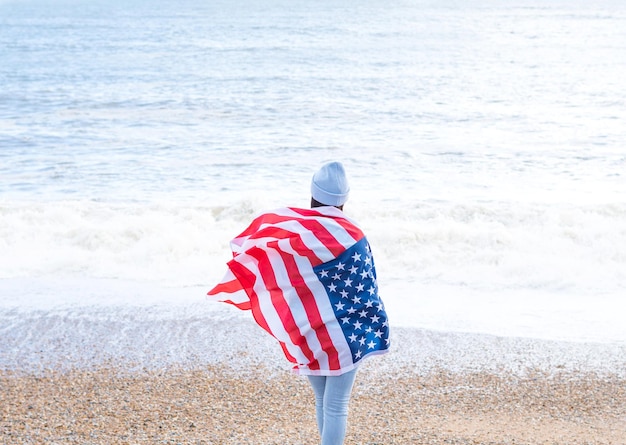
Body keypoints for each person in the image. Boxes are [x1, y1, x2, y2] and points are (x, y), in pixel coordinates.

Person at [208, 161, 390, 445]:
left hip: (310, 332)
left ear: (313, 194)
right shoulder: (354, 234)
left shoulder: (297, 231)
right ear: (345, 200)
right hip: (348, 334)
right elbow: (368, 286)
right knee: (336, 405)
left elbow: (288, 274)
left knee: (323, 401)